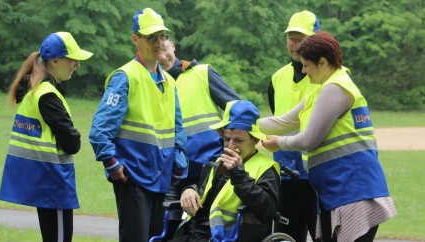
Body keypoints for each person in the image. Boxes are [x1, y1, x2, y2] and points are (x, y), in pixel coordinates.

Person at [260, 31, 396, 242]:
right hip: (340, 191)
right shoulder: (321, 89)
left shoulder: (336, 88)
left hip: (354, 192)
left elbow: (309, 140)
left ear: (322, 62)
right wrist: (244, 127)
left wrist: (279, 143)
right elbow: (284, 121)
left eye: (306, 65)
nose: (303, 71)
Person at [88, 8, 188, 242]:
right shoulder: (125, 77)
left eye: (162, 36)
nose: (158, 42)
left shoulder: (170, 82)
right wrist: (112, 164)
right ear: (136, 39)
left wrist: (180, 162)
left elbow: (178, 129)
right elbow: (99, 131)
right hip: (133, 178)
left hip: (161, 178)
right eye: (151, 37)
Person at [0, 32, 93, 242]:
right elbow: (73, 142)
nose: (77, 64)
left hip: (44, 182)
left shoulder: (35, 91)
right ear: (55, 60)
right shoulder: (48, 95)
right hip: (54, 183)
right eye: (72, 59)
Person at [169, 100, 281, 242]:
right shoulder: (217, 162)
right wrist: (189, 189)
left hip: (228, 237)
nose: (231, 146)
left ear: (255, 140)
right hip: (196, 234)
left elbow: (268, 211)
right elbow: (204, 192)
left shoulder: (265, 168)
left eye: (239, 140)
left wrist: (238, 175)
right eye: (227, 139)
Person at [159, 39, 240, 200]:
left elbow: (238, 109)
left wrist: (232, 142)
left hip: (213, 170)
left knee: (210, 224)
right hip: (171, 175)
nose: (162, 57)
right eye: (157, 52)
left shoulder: (202, 73)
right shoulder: (151, 84)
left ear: (173, 45)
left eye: (165, 49)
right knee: (169, 223)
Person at [267, 10, 321, 242]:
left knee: (324, 235)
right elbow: (277, 120)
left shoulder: (328, 78)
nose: (296, 45)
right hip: (285, 177)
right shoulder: (277, 78)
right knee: (286, 237)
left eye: (302, 39)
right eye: (292, 38)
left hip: (317, 177)